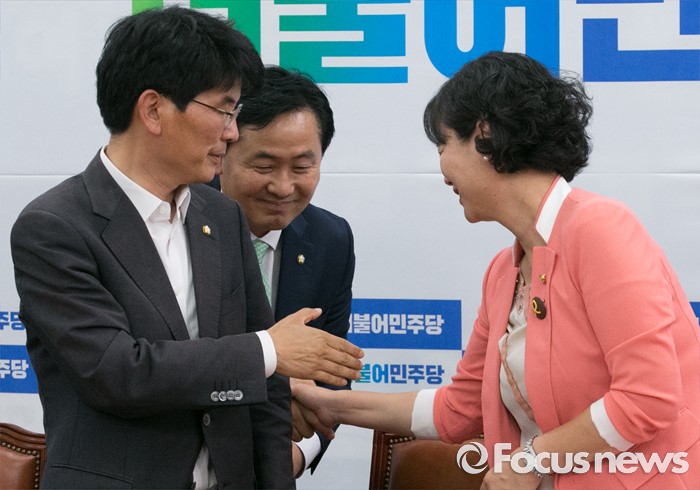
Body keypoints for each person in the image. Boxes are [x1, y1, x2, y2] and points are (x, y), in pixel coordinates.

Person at [292, 51, 700, 489]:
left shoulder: (599, 229)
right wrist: (329, 405)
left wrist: (533, 460)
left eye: (443, 144)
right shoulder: (503, 273)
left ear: (484, 134)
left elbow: (647, 396)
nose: (441, 170)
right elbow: (459, 409)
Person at [9, 7, 363, 489]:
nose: (232, 132)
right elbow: (118, 373)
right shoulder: (54, 227)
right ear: (153, 109)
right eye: (223, 110)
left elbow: (267, 398)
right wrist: (267, 349)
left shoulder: (220, 215)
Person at [217, 65, 355, 478]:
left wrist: (294, 454)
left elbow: (331, 372)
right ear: (221, 152)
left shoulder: (331, 239)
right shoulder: (179, 222)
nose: (282, 187)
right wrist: (277, 383)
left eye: (301, 167)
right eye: (264, 166)